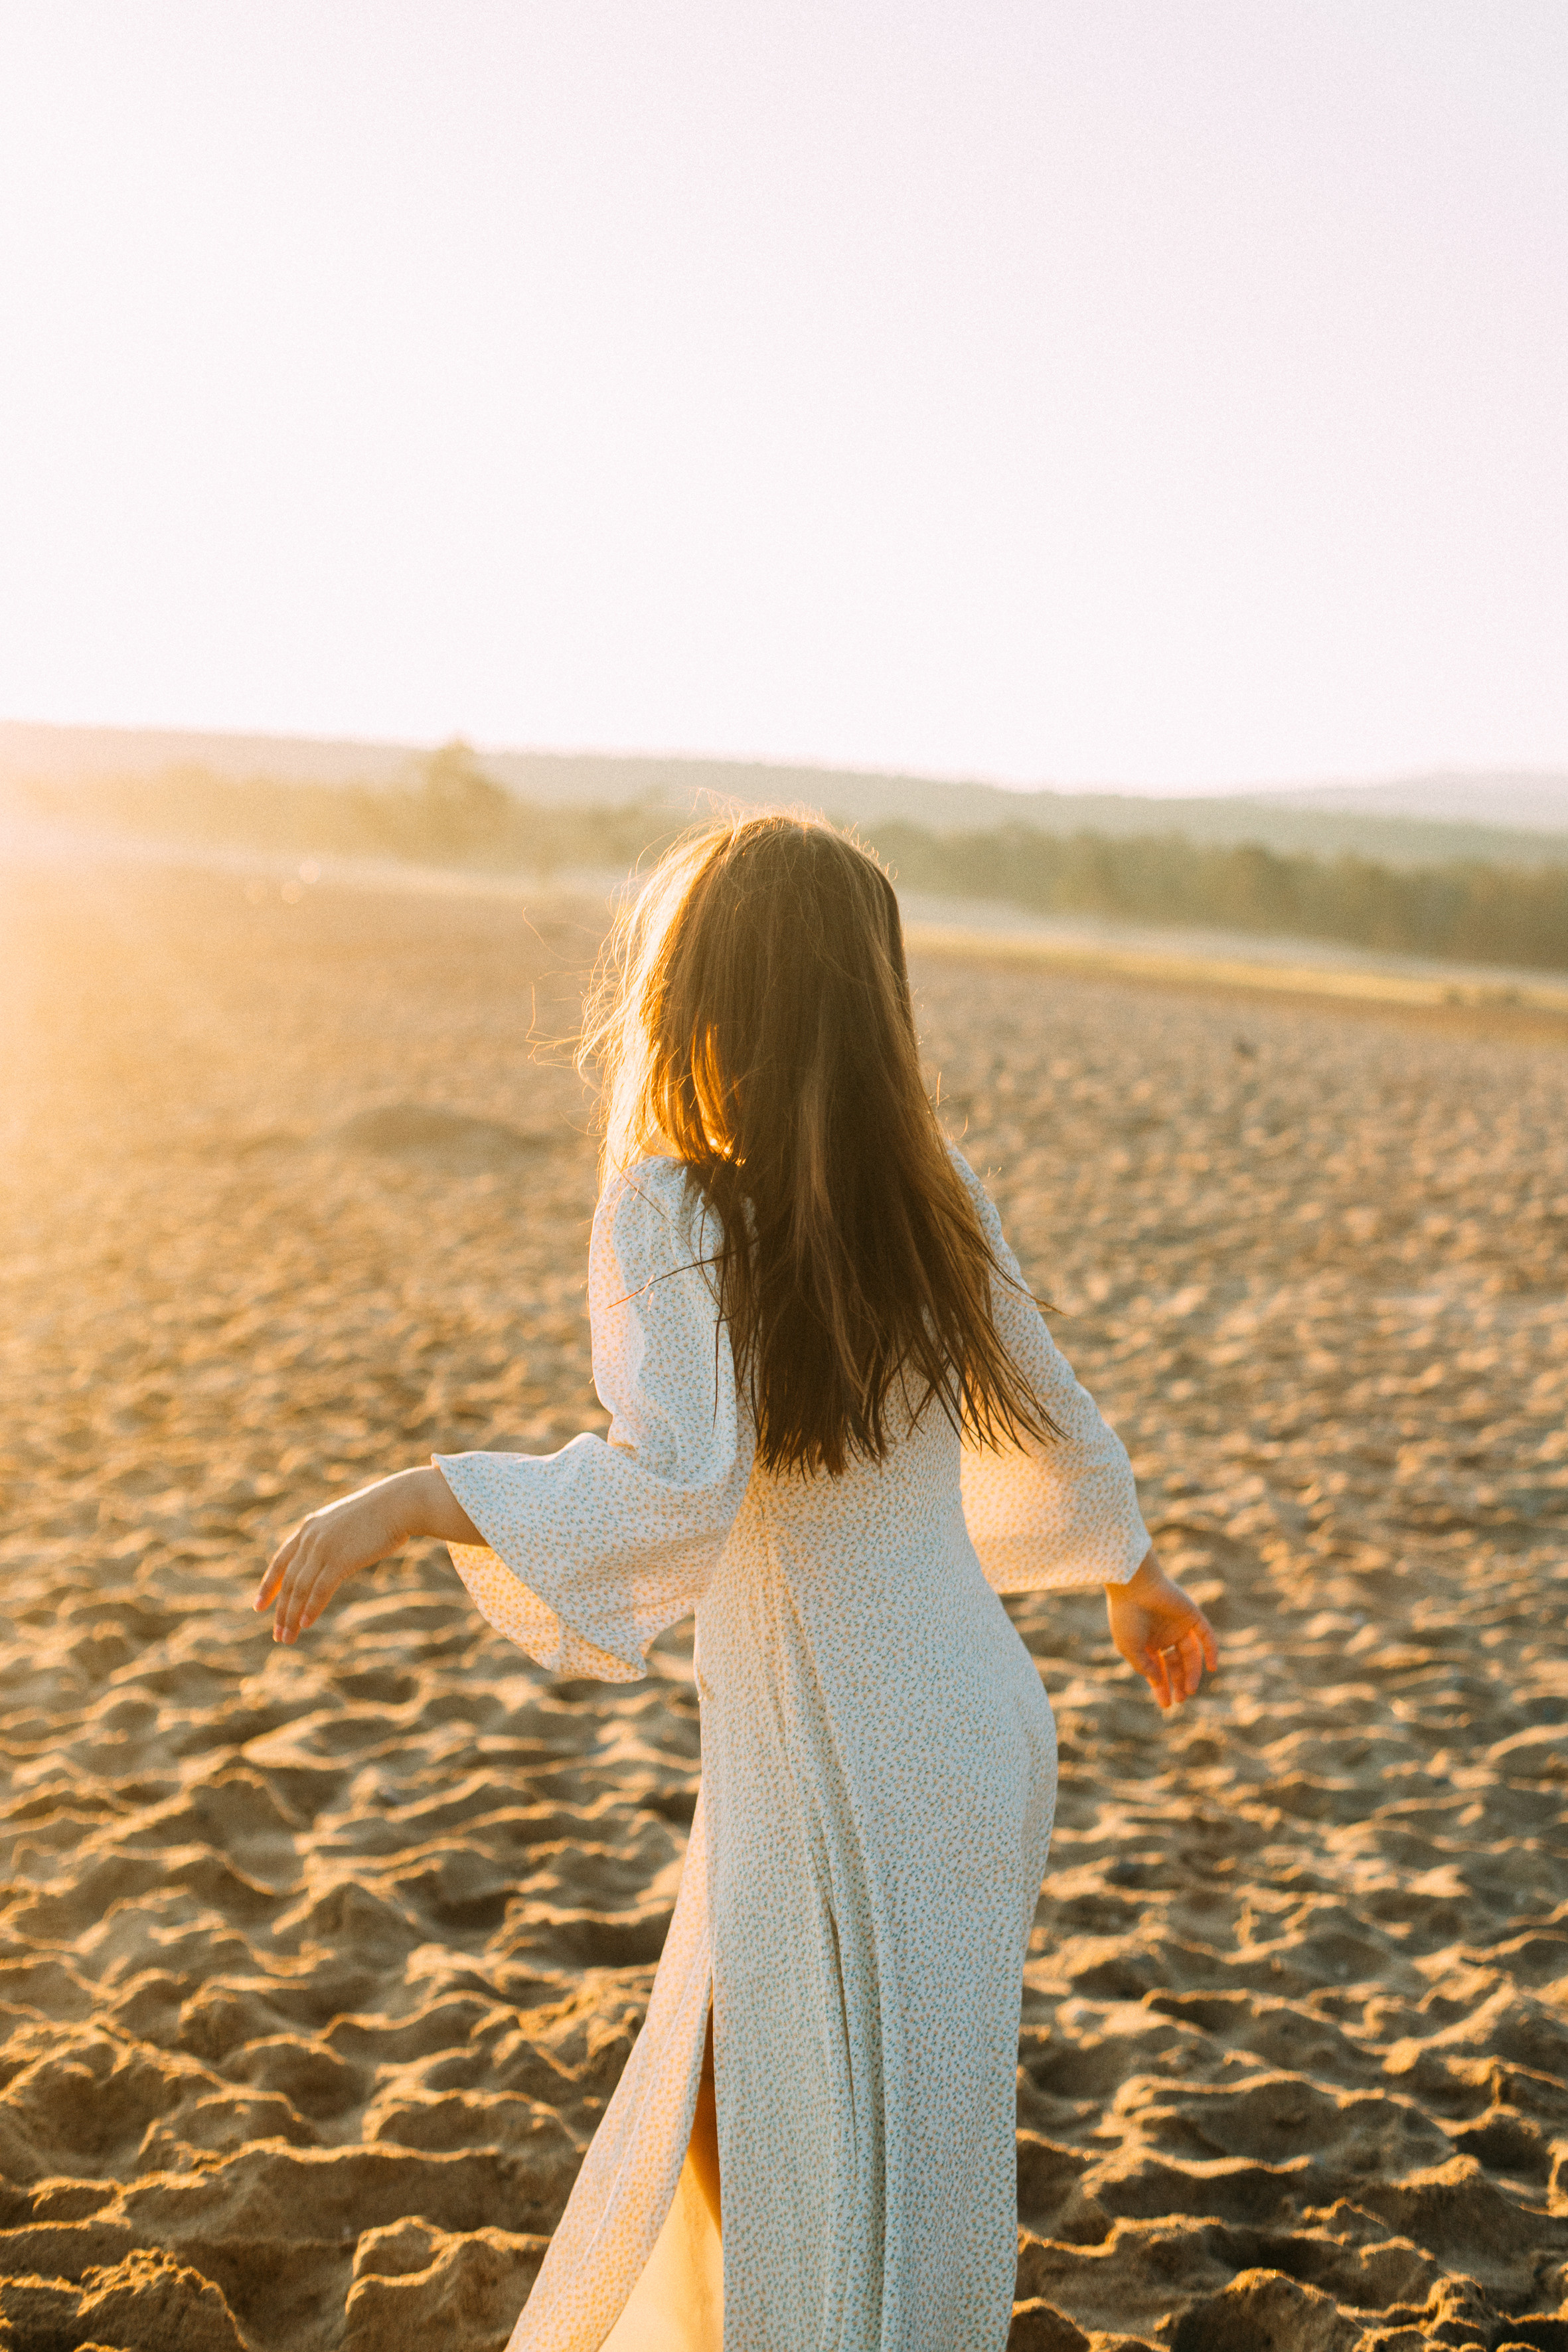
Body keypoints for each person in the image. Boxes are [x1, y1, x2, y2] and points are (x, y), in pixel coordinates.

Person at [254, 813, 1218, 2352]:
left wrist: (420, 1497)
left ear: (696, 1000)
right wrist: (1133, 1571)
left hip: (836, 1739)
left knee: (756, 2121)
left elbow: (673, 1488)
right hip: (969, 1729)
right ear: (870, 1004)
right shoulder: (933, 1189)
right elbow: (1055, 1421)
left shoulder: (676, 1209)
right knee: (893, 2140)